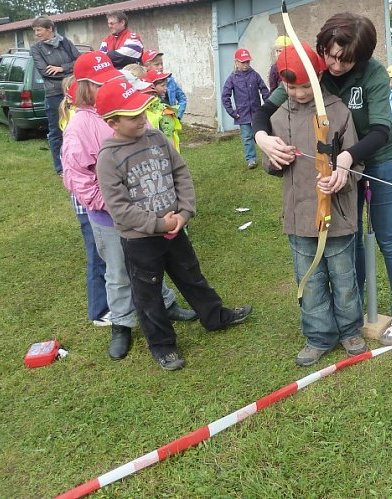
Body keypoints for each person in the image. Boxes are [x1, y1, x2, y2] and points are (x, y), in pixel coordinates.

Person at [253, 12, 392, 346]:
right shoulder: (315, 69)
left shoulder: (372, 73)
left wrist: (348, 156)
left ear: (362, 56)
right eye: (330, 55)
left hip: (378, 160)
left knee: (390, 237)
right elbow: (266, 108)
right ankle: (350, 315)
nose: (336, 65)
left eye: (346, 59)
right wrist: (262, 138)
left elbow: (383, 129)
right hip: (336, 169)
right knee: (347, 232)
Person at [93, 80, 251, 370]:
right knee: (148, 296)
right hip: (141, 240)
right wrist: (158, 224)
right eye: (133, 117)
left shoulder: (157, 139)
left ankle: (215, 317)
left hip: (175, 229)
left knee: (192, 276)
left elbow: (181, 173)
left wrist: (184, 213)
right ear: (112, 122)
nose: (142, 119)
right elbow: (120, 209)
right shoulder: (108, 158)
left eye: (142, 112)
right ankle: (163, 345)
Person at [62, 53, 197, 361]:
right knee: (119, 270)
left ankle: (165, 303)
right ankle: (121, 323)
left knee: (151, 263)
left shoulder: (123, 108)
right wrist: (115, 205)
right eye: (100, 82)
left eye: (110, 77)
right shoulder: (81, 125)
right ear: (85, 86)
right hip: (112, 216)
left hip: (147, 211)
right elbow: (79, 178)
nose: (109, 83)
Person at [263, 43, 365, 366]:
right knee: (310, 280)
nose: (301, 92)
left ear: (319, 76)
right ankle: (319, 335)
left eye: (307, 85)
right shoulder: (279, 118)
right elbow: (272, 166)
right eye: (292, 87)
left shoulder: (338, 111)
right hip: (300, 216)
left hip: (338, 215)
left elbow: (356, 163)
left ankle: (350, 329)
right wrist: (275, 159)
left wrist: (340, 176)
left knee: (344, 277)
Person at [58, 77, 109, 325]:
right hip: (89, 205)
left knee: (107, 256)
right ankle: (99, 311)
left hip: (95, 202)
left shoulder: (85, 119)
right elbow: (74, 175)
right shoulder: (76, 124)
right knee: (97, 256)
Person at [30, 16, 80, 175]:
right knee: (56, 131)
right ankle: (60, 168)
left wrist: (61, 68)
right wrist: (69, 72)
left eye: (39, 30)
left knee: (77, 128)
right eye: (35, 31)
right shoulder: (36, 48)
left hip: (74, 91)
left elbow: (79, 61)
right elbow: (45, 72)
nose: (36, 34)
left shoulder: (65, 42)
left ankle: (79, 163)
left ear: (50, 29)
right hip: (54, 94)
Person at [221, 48, 270, 169]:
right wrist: (232, 112)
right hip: (242, 114)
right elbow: (225, 96)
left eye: (248, 62)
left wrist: (268, 106)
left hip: (257, 112)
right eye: (243, 62)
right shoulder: (232, 78)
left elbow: (264, 89)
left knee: (262, 134)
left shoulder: (254, 75)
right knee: (247, 136)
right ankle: (251, 159)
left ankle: (269, 155)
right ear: (236, 62)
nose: (246, 64)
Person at [141, 67, 183, 152]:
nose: (166, 88)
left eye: (166, 85)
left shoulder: (164, 106)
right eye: (162, 85)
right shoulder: (146, 113)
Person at [142, 50, 187, 119]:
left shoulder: (170, 80)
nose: (160, 67)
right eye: (157, 64)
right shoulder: (143, 83)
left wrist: (177, 115)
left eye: (161, 64)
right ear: (147, 67)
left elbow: (182, 98)